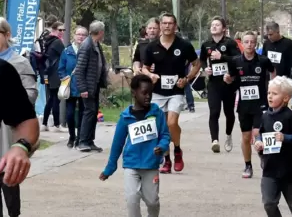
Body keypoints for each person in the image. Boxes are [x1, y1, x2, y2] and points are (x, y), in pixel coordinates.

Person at [0, 17, 38, 217]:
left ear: (7, 36)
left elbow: (29, 96)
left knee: (8, 176)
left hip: (8, 132)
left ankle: (14, 212)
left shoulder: (18, 63)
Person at [99, 75, 170, 217]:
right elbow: (117, 144)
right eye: (144, 93)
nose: (148, 96)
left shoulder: (157, 113)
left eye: (150, 93)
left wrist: (161, 146)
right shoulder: (125, 117)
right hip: (131, 165)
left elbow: (165, 135)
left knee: (152, 202)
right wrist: (110, 168)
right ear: (134, 93)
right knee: (132, 199)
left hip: (151, 165)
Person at [142, 13, 200, 174]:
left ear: (175, 26)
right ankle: (167, 160)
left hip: (176, 90)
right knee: (161, 126)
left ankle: (178, 150)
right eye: (164, 23)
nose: (167, 26)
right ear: (160, 25)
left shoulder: (184, 45)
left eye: (170, 23)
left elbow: (197, 64)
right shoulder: (152, 47)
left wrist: (187, 79)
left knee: (171, 123)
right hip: (158, 92)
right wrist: (150, 75)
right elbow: (144, 67)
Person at [254, 76, 292, 217]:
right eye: (269, 93)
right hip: (270, 168)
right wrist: (259, 142)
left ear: (286, 98)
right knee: (269, 203)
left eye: (275, 94)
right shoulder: (265, 116)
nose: (270, 96)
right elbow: (261, 133)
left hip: (290, 170)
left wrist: (286, 137)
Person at [224, 31, 275, 178]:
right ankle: (248, 165)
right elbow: (231, 78)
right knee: (246, 136)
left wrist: (273, 87)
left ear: (256, 43)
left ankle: (262, 155)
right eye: (246, 42)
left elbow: (273, 71)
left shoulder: (263, 60)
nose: (249, 45)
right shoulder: (235, 61)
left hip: (261, 103)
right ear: (242, 43)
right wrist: (228, 79)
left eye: (252, 42)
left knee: (258, 133)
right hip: (244, 104)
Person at [200, 16, 241, 153]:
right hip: (214, 84)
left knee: (229, 113)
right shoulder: (206, 45)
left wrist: (222, 57)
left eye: (217, 25)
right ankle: (215, 140)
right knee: (214, 112)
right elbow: (201, 60)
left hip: (228, 83)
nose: (214, 27)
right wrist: (205, 68)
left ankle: (228, 135)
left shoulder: (230, 43)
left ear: (224, 28)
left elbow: (238, 59)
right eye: (212, 25)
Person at [75, 20, 109, 152]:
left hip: (94, 85)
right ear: (100, 32)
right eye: (103, 32)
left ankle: (90, 140)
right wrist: (82, 88)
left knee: (93, 112)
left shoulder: (96, 44)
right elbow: (79, 69)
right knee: (88, 112)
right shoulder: (87, 46)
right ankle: (83, 141)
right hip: (88, 86)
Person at [58, 26, 89, 148]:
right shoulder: (67, 51)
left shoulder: (88, 51)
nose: (80, 37)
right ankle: (72, 136)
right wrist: (65, 78)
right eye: (78, 34)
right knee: (70, 114)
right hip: (70, 88)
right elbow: (61, 69)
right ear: (74, 36)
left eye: (83, 35)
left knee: (82, 113)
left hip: (83, 88)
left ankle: (80, 138)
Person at [41, 21, 66, 132]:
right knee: (56, 99)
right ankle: (56, 125)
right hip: (56, 73)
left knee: (51, 99)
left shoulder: (48, 41)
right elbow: (65, 57)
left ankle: (45, 123)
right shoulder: (57, 43)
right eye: (60, 30)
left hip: (49, 73)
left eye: (63, 30)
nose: (62, 32)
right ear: (54, 29)